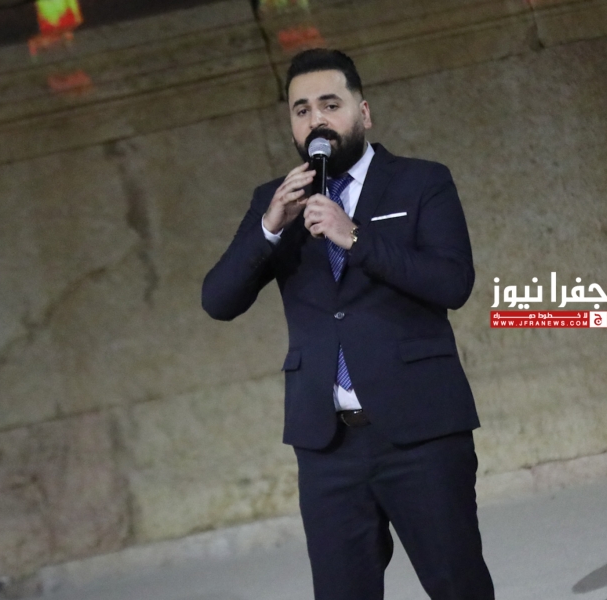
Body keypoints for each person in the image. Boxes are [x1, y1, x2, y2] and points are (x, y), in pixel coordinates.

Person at [202, 48, 494, 600]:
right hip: (327, 444)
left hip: (421, 430)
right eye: (302, 110)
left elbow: (452, 282)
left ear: (364, 112)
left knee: (458, 586)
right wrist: (268, 228)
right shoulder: (275, 202)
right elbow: (218, 301)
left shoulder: (421, 182)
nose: (316, 120)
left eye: (330, 105)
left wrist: (353, 236)